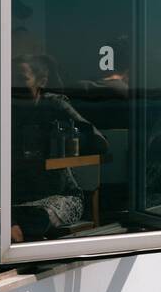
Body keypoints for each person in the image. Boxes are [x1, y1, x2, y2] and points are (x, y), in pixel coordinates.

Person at [10, 56, 108, 243]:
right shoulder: (4, 110)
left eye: (22, 79)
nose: (15, 87)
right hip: (17, 198)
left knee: (33, 221)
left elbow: (100, 142)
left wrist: (67, 140)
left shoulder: (54, 105)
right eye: (12, 80)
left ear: (42, 81)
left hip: (59, 196)